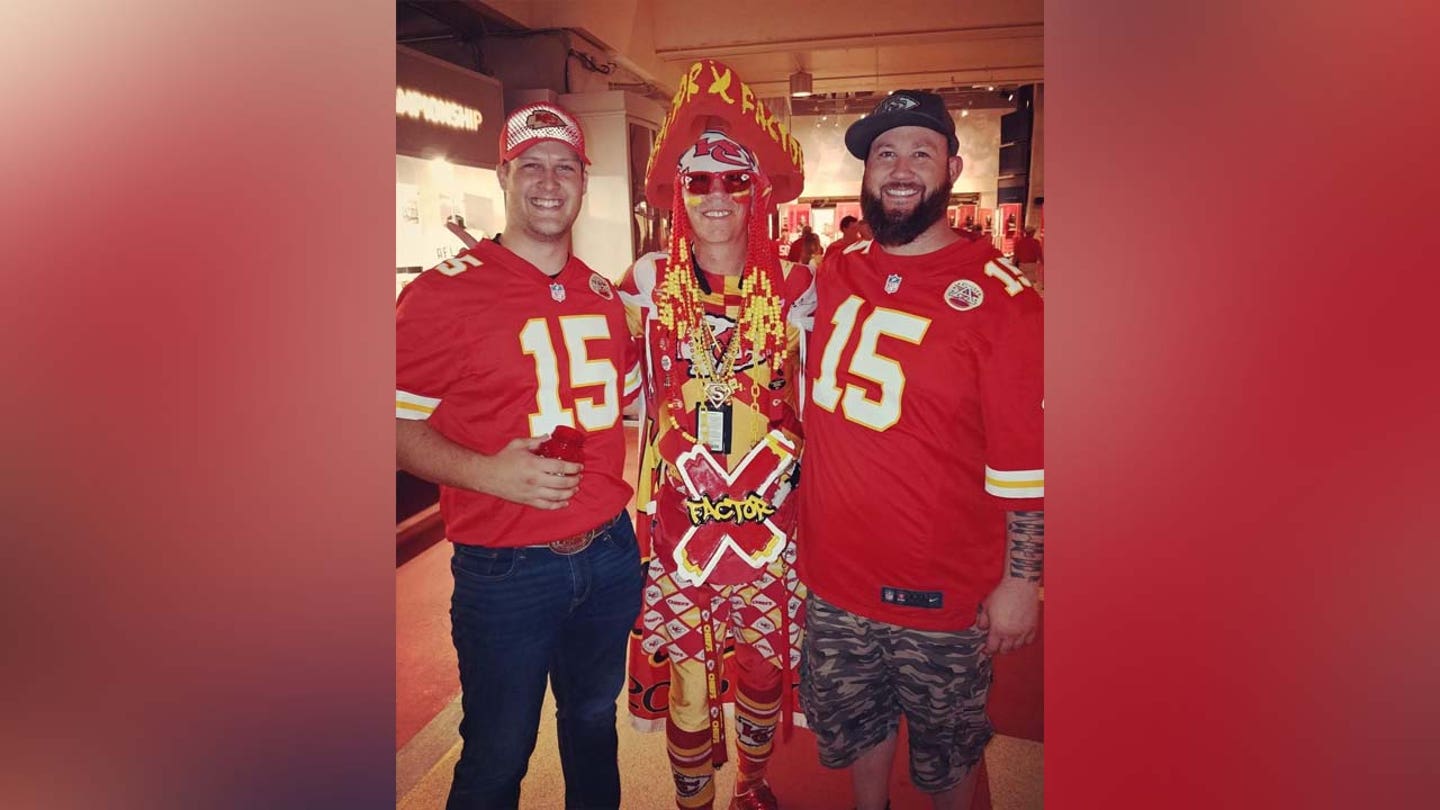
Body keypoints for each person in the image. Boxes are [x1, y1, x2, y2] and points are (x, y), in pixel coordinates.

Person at [796, 90, 1044, 810]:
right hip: (834, 579)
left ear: (953, 168)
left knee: (948, 753)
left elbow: (1027, 465)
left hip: (939, 594)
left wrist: (1022, 582)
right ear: (866, 173)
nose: (900, 169)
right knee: (857, 730)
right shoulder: (838, 265)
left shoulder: (1006, 302)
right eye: (885, 154)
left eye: (920, 152)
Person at [395, 101, 643, 810]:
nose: (549, 182)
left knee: (593, 724)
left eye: (565, 166)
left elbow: (637, 399)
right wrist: (486, 472)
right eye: (531, 165)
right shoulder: (440, 295)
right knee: (498, 753)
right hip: (506, 570)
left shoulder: (604, 296)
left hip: (609, 553)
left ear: (583, 182)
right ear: (503, 175)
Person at [619, 58, 812, 810]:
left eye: (735, 180)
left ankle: (751, 786)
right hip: (681, 523)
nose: (718, 196)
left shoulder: (798, 290)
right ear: (678, 194)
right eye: (699, 181)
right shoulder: (646, 282)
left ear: (757, 191)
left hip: (769, 522)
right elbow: (613, 386)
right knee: (689, 681)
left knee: (763, 670)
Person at [1012, 225, 1044, 294]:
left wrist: (1012, 266)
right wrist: (1043, 263)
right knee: (1030, 283)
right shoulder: (1035, 242)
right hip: (1031, 266)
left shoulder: (1019, 242)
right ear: (1032, 233)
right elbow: (1040, 255)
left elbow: (1015, 256)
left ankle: (1024, 296)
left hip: (1022, 265)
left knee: (1023, 283)